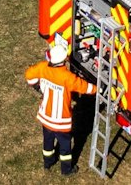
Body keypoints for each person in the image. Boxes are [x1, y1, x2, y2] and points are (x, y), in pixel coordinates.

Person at [24, 35, 94, 175]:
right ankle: (66, 170)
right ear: (63, 60)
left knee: (48, 143)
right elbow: (84, 87)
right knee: (65, 147)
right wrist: (98, 89)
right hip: (61, 121)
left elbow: (29, 75)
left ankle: (48, 163)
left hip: (45, 117)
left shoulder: (43, 67)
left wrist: (38, 88)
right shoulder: (67, 77)